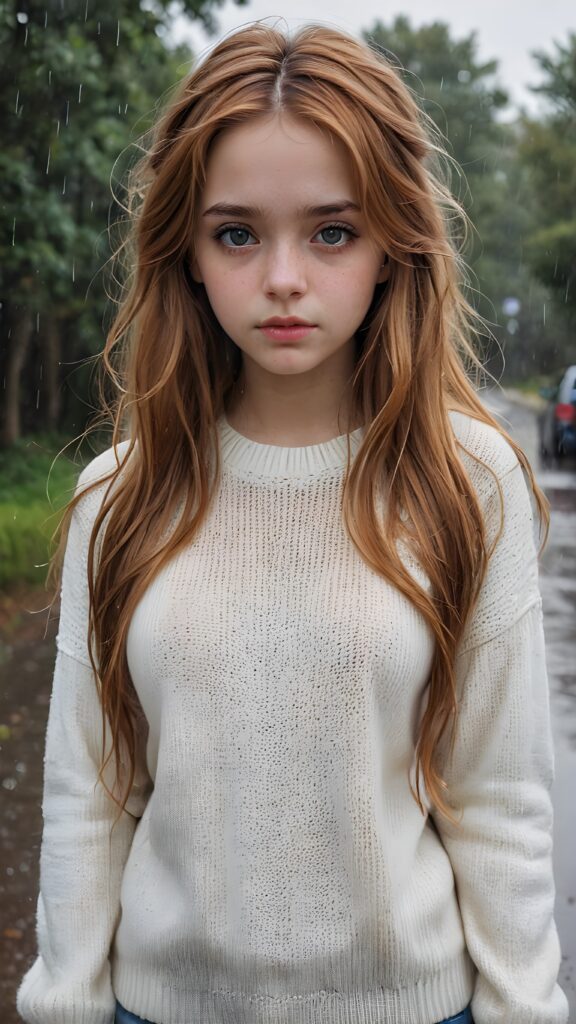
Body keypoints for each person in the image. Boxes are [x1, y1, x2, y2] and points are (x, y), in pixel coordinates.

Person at [17, 20, 568, 1024]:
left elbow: (499, 802)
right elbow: (89, 798)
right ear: (184, 250)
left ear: (394, 242)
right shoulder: (118, 499)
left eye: (331, 230)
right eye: (237, 232)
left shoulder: (468, 482)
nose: (282, 278)